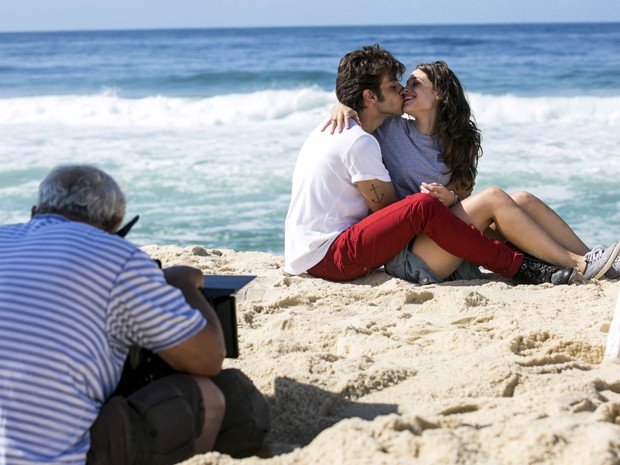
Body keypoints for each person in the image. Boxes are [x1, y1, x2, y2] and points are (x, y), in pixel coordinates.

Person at [285, 44, 586, 287]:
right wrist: (342, 103)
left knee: (519, 200)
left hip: (333, 248)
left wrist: (450, 200)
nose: (401, 90)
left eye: (410, 84)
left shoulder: (444, 140)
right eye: (394, 86)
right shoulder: (365, 136)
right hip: (338, 252)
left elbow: (462, 210)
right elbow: (390, 213)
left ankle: (591, 258)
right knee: (432, 204)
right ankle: (539, 265)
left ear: (440, 94)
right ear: (370, 97)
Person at [0, 165, 226, 465]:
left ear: (34, 212)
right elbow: (208, 358)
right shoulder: (118, 257)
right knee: (207, 396)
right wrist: (183, 284)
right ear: (116, 223)